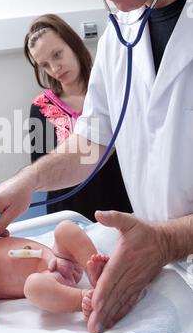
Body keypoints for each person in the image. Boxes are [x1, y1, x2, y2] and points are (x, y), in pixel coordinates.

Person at [0, 0, 193, 333]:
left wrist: (169, 240)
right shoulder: (121, 34)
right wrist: (28, 181)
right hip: (162, 289)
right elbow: (90, 140)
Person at [25, 14, 132, 220]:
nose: (55, 68)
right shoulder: (41, 107)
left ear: (72, 44)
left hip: (120, 205)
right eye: (45, 64)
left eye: (57, 54)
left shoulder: (112, 89)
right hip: (68, 215)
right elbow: (41, 169)